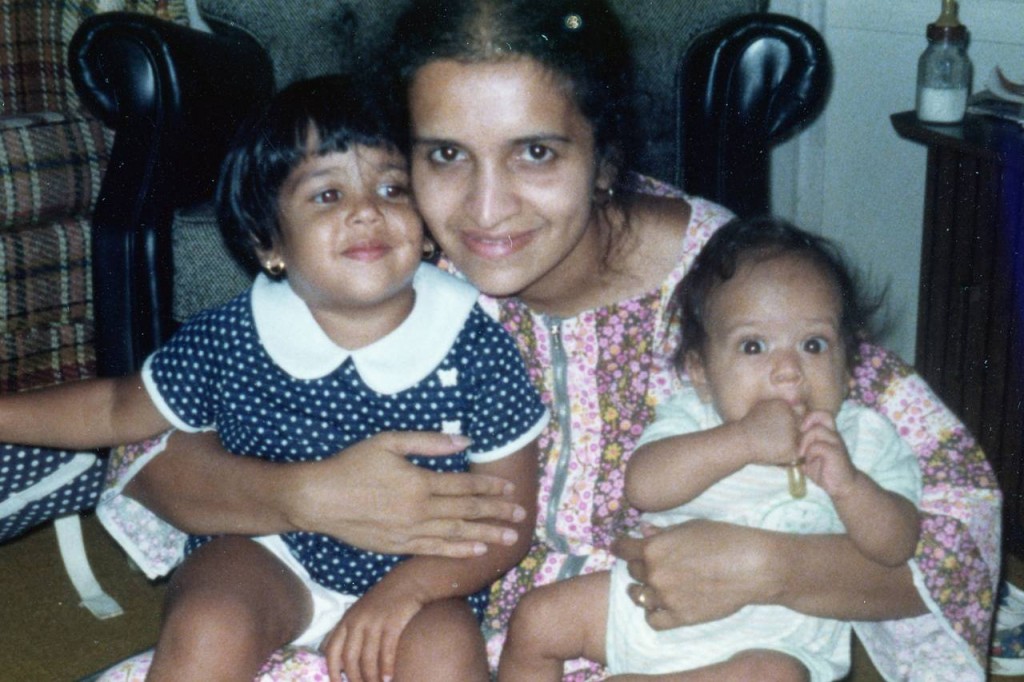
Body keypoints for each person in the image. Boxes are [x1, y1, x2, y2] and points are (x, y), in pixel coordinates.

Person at [95, 1, 999, 680]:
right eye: (445, 155)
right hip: (411, 635)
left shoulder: (739, 293)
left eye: (535, 153)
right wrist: (301, 496)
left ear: (604, 155)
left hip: (666, 650)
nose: (486, 213)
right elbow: (148, 447)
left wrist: (778, 564)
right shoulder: (387, 271)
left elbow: (956, 543)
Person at [0, 75, 546, 682]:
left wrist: (404, 595)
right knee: (212, 617)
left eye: (393, 189)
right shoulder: (233, 333)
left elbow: (508, 521)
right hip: (268, 552)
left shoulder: (473, 340)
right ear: (268, 243)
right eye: (326, 195)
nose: (366, 210)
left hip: (420, 579)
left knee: (444, 652)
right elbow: (115, 409)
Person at [497, 217, 923, 682]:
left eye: (813, 344)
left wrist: (850, 487)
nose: (787, 370)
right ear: (701, 372)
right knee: (538, 618)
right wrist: (741, 441)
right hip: (647, 606)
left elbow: (897, 545)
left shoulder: (862, 436)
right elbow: (644, 487)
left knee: (776, 677)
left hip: (769, 642)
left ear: (847, 369)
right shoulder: (696, 416)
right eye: (753, 346)